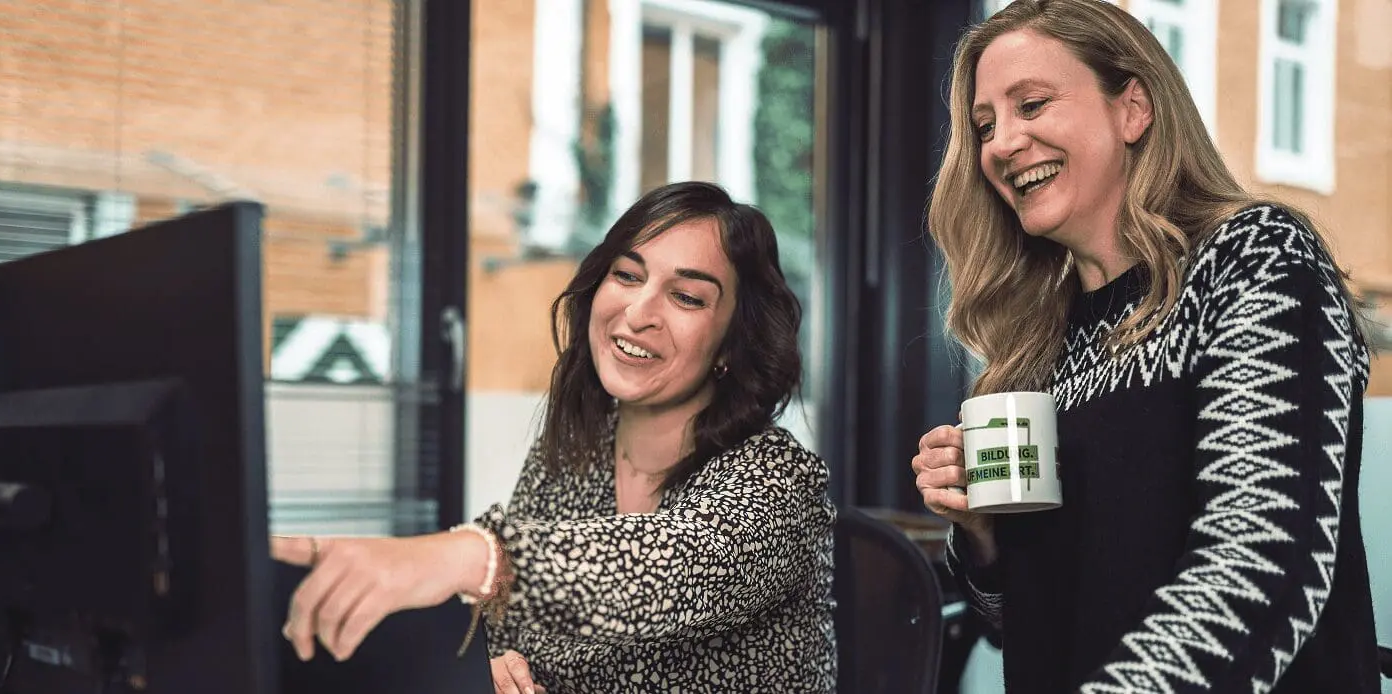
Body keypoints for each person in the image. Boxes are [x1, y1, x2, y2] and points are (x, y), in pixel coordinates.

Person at [911, 1, 1381, 692]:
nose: (1002, 143)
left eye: (1032, 104)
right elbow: (1030, 626)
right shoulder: (1038, 347)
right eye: (984, 126)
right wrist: (981, 539)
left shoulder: (1257, 259)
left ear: (1133, 108)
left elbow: (1262, 568)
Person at [272, 181, 837, 693]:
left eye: (686, 297)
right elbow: (513, 630)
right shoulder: (574, 456)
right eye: (628, 275)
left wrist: (472, 556)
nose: (639, 312)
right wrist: (496, 669)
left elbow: (665, 574)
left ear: (732, 346)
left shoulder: (779, 480)